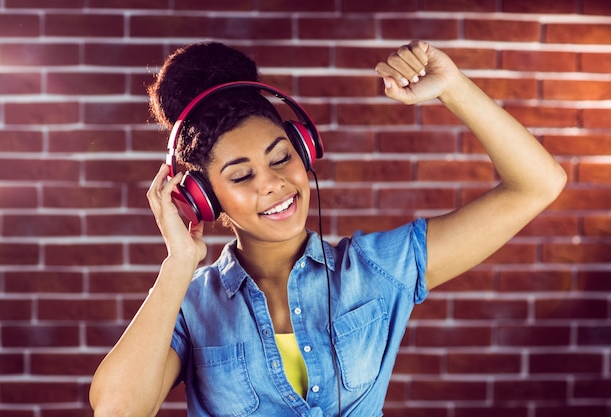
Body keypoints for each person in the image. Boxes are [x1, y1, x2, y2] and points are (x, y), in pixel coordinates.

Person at [89, 40, 566, 417]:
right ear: (203, 200)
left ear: (305, 151)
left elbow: (538, 185)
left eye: (282, 158)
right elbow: (118, 409)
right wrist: (178, 264)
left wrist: (454, 87)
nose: (274, 184)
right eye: (241, 176)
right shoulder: (190, 304)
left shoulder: (378, 269)